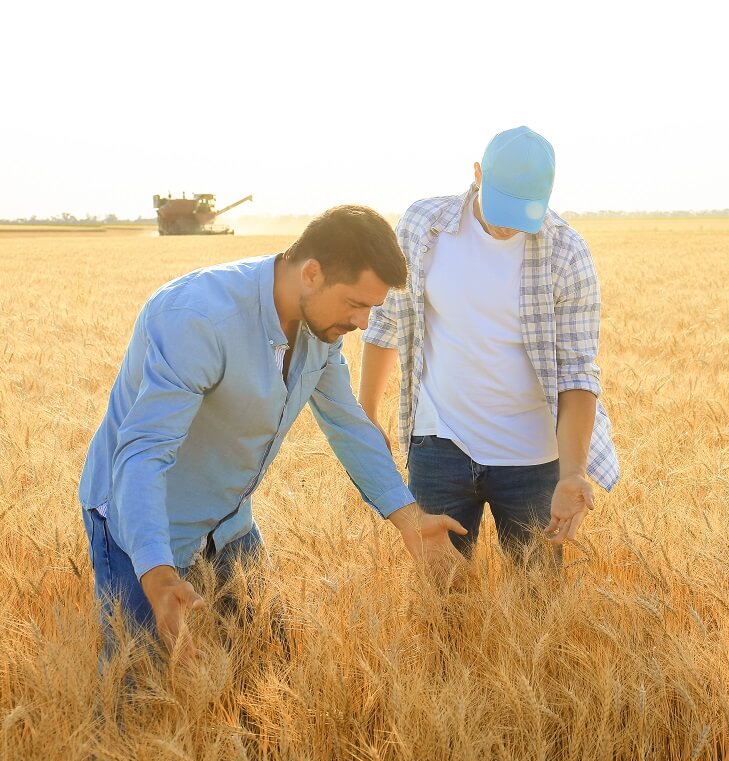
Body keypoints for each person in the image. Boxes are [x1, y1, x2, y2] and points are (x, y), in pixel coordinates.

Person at [79, 205, 467, 662]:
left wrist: (410, 520)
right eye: (356, 303)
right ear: (312, 273)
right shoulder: (198, 319)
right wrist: (158, 573)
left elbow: (347, 421)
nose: (364, 323)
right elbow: (144, 452)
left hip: (229, 519)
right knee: (139, 684)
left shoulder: (322, 326)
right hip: (141, 522)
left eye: (371, 308)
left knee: (269, 664)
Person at [359, 126, 619, 565]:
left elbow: (578, 372)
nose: (508, 224)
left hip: (534, 459)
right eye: (502, 207)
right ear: (477, 174)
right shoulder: (424, 227)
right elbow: (387, 321)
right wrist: (366, 414)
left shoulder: (567, 253)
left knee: (538, 607)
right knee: (441, 601)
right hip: (438, 447)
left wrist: (572, 472)